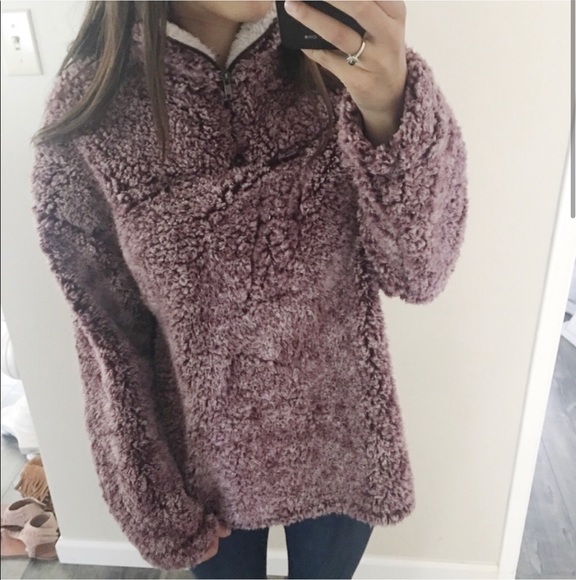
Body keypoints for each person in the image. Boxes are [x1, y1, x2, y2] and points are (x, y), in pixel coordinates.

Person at [30, 1, 468, 578]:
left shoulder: (343, 62)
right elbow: (108, 339)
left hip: (339, 438)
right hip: (207, 464)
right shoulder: (93, 113)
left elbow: (420, 272)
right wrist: (150, 499)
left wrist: (391, 107)